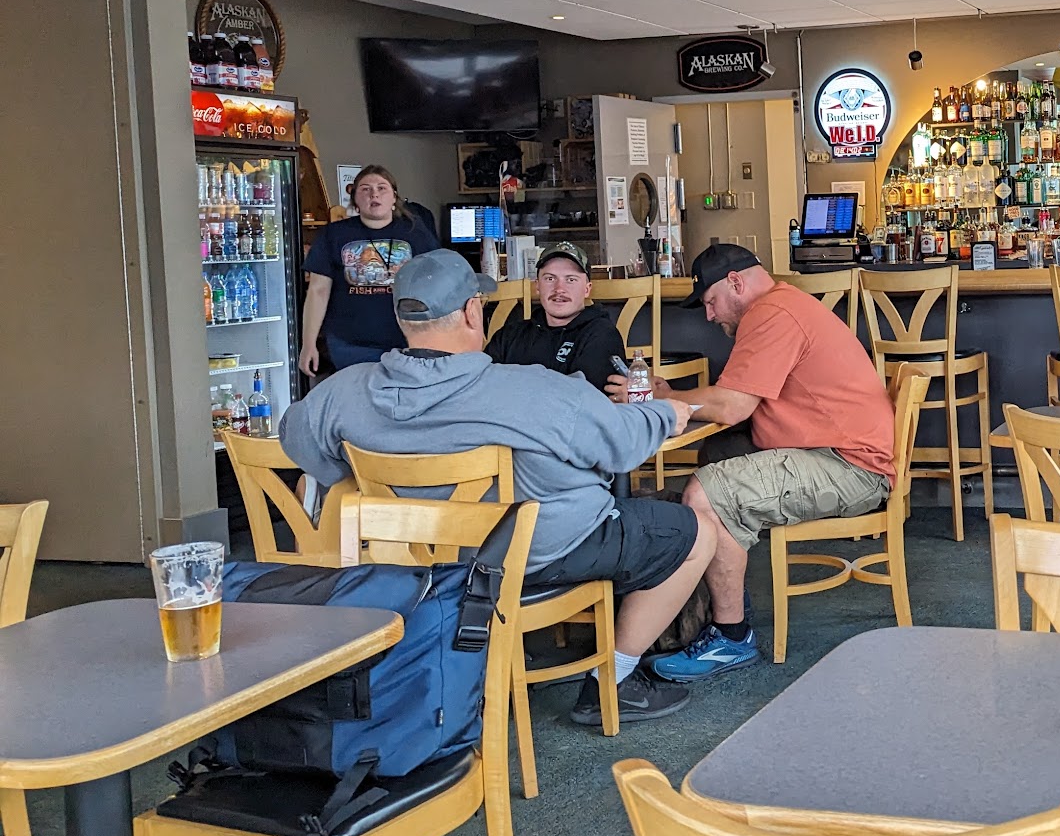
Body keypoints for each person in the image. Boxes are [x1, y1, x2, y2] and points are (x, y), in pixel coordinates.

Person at [280, 249, 711, 725]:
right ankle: (613, 682)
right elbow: (621, 446)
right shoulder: (535, 389)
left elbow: (298, 444)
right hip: (533, 554)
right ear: (471, 311)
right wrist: (665, 413)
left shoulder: (342, 390)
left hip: (409, 559)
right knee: (695, 533)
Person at [642, 244, 896, 682]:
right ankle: (722, 599)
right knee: (717, 455)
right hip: (837, 452)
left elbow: (733, 406)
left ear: (736, 283)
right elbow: (737, 402)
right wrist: (676, 398)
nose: (709, 315)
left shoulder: (771, 315)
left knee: (706, 490)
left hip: (850, 467)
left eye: (710, 301)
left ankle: (730, 637)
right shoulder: (785, 305)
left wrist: (666, 399)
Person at [299, 164, 439, 376]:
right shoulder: (334, 235)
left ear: (394, 198)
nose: (374, 194)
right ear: (355, 199)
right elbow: (318, 291)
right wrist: (308, 344)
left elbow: (434, 284)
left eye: (382, 188)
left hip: (407, 342)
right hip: (349, 345)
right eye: (365, 189)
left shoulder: (416, 233)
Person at [485, 243, 626, 390]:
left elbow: (585, 402)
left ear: (587, 289)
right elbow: (482, 390)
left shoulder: (601, 336)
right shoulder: (508, 336)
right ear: (538, 286)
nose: (559, 289)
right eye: (550, 279)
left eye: (571, 279)